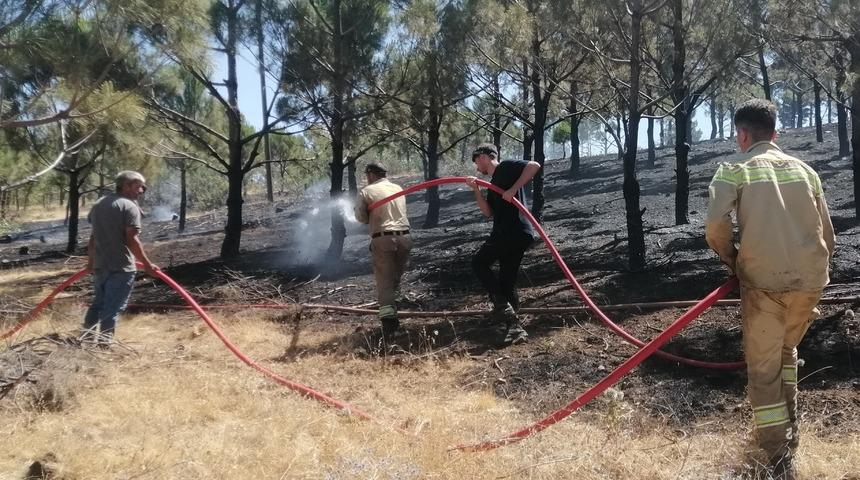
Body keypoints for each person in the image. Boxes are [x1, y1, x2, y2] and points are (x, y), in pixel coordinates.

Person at [705, 99, 835, 479]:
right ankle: (791, 431)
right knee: (786, 352)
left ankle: (776, 459)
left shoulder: (734, 169)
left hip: (764, 285)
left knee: (763, 371)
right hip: (810, 283)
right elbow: (827, 233)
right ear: (775, 134)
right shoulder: (807, 172)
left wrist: (734, 260)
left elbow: (715, 226)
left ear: (742, 134)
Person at [466, 144, 541, 345]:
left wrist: (513, 189)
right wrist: (477, 190)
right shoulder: (493, 183)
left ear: (482, 157)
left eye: (476, 161)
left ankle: (501, 306)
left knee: (479, 263)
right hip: (517, 234)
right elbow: (488, 212)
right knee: (507, 281)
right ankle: (514, 328)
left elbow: (534, 165)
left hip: (511, 230)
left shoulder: (505, 167)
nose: (476, 167)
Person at [83, 171, 159, 345]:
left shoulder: (99, 204)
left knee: (97, 304)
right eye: (139, 186)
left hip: (101, 265)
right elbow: (131, 239)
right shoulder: (128, 206)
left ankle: (85, 342)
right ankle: (103, 346)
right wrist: (147, 265)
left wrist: (91, 263)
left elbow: (93, 237)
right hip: (121, 267)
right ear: (125, 186)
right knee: (111, 309)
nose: (142, 190)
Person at [354, 162, 413, 335]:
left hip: (384, 239)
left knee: (385, 282)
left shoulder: (367, 191)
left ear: (371, 174)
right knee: (395, 278)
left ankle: (389, 325)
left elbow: (361, 217)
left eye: (367, 175)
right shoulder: (397, 188)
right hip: (406, 238)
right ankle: (394, 308)